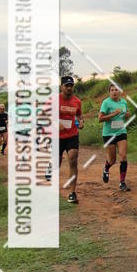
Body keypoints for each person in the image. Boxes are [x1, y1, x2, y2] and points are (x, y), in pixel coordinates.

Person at [98, 84, 132, 192]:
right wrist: (113, 114)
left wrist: (127, 114)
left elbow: (126, 113)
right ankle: (106, 167)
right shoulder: (106, 103)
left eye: (116, 90)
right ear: (109, 92)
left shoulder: (124, 102)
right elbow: (100, 119)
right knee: (112, 160)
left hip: (121, 132)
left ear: (120, 91)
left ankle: (122, 182)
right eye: (112, 90)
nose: (114, 92)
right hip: (109, 134)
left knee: (123, 156)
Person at [58, 75, 84, 203]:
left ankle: (72, 193)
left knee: (73, 160)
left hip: (72, 135)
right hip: (57, 137)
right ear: (61, 86)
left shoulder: (77, 101)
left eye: (71, 85)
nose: (69, 88)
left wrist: (81, 121)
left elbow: (79, 114)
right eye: (66, 85)